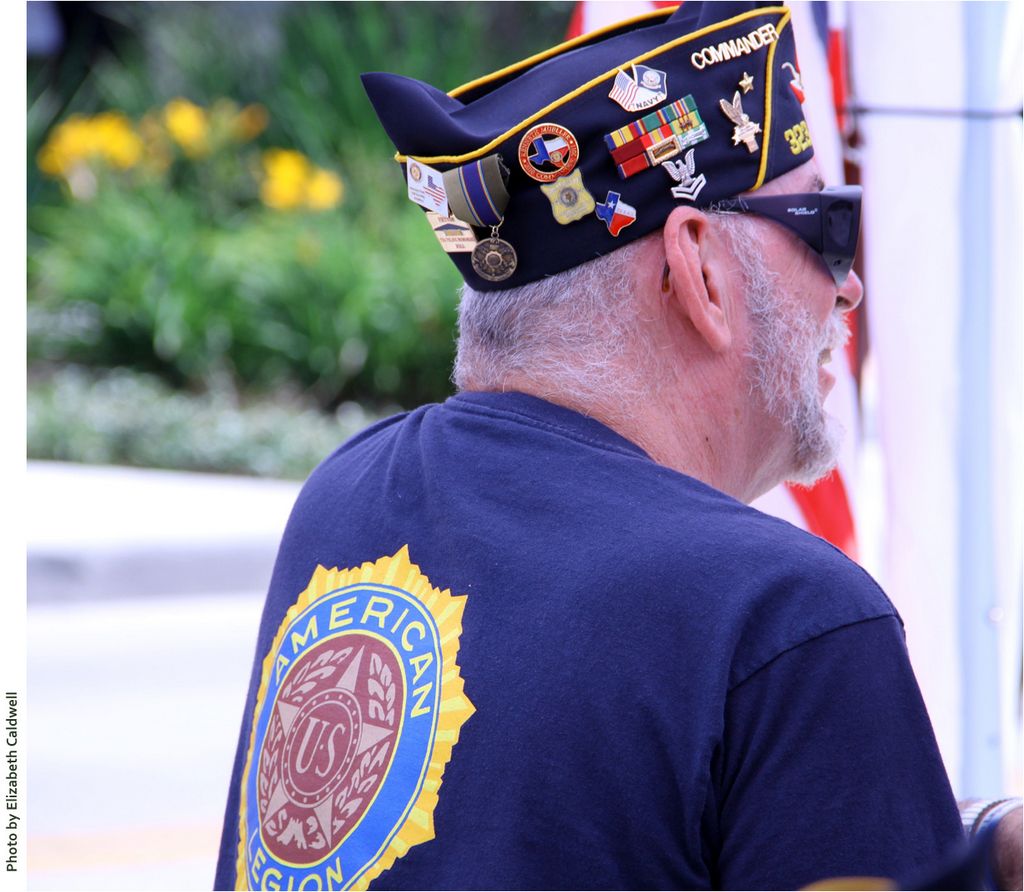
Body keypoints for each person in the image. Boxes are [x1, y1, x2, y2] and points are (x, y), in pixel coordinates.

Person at [214, 3, 1020, 889]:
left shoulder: (349, 495)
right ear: (700, 269)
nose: (852, 286)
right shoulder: (787, 616)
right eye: (828, 227)